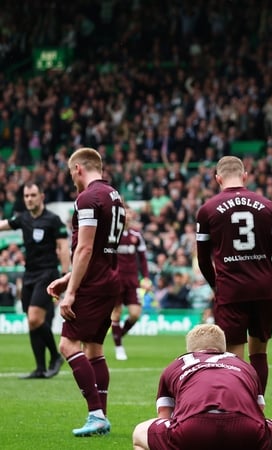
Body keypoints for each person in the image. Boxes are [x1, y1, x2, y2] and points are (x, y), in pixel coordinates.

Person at [46, 147, 125, 436]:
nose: (72, 180)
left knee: (68, 346)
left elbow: (87, 247)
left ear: (79, 168)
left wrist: (71, 291)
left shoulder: (88, 198)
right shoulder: (114, 196)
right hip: (109, 280)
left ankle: (95, 414)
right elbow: (100, 252)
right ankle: (100, 416)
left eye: (71, 174)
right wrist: (67, 278)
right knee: (94, 349)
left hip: (93, 285)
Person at [196, 155, 272, 395]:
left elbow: (203, 260)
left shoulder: (207, 210)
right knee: (259, 352)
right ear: (244, 176)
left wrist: (217, 287)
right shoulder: (268, 206)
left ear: (218, 178)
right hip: (264, 288)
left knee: (233, 355)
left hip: (231, 290)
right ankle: (258, 407)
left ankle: (239, 410)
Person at [131, 323, 272, 450]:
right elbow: (259, 412)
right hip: (245, 430)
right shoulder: (245, 366)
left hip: (192, 430)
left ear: (190, 350)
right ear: (223, 347)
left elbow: (164, 416)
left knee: (139, 433)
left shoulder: (176, 365)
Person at [0, 182, 71, 379]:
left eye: (33, 195)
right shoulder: (23, 218)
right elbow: (4, 225)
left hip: (47, 274)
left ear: (42, 196)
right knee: (32, 323)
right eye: (26, 196)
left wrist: (64, 278)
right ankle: (40, 368)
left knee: (34, 318)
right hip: (29, 275)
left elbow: (63, 248)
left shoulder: (53, 220)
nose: (29, 199)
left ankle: (56, 357)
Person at [110, 206, 149, 360]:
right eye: (125, 214)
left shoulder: (136, 235)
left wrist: (145, 277)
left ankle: (119, 335)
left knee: (135, 314)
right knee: (116, 313)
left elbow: (143, 258)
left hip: (132, 280)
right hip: (116, 280)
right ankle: (119, 347)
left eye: (129, 214)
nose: (127, 217)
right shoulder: (113, 235)